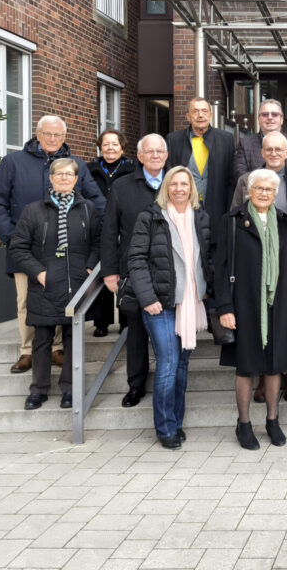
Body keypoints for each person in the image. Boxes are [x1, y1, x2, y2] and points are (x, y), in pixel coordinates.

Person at [0, 114, 105, 374]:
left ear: (64, 137)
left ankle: (56, 348)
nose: (53, 139)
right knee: (26, 300)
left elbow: (97, 202)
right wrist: (13, 238)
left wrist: (96, 238)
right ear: (37, 135)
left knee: (63, 296)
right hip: (26, 250)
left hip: (68, 250)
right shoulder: (13, 162)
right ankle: (28, 351)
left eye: (58, 135)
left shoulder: (76, 166)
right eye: (47, 134)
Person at [216, 169, 287, 450]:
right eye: (259, 189)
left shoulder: (283, 221)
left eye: (269, 189)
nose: (264, 193)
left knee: (274, 363)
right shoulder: (232, 221)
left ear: (275, 193)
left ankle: (272, 420)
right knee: (246, 367)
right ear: (249, 191)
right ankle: (243, 424)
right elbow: (219, 269)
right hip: (244, 303)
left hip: (278, 304)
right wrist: (225, 307)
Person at [126, 166, 211, 449]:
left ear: (191, 188)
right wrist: (147, 297)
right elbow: (136, 259)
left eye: (184, 184)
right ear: (166, 188)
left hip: (190, 302)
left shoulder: (200, 217)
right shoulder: (150, 218)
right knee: (168, 364)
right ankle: (165, 428)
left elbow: (205, 258)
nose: (178, 189)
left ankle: (176, 421)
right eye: (173, 184)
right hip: (160, 303)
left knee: (182, 365)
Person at [8, 158, 101, 411]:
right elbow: (18, 247)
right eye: (58, 174)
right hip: (45, 284)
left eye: (69, 175)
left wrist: (90, 268)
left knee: (73, 338)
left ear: (76, 179)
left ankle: (70, 389)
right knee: (42, 339)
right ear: (50, 179)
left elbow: (97, 242)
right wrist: (39, 273)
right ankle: (38, 390)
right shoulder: (33, 210)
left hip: (76, 283)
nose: (63, 178)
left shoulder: (88, 209)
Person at [234, 131, 287, 402]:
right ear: (261, 152)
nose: (273, 153)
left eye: (278, 149)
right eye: (268, 149)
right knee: (262, 317)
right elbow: (236, 217)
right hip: (257, 259)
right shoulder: (247, 180)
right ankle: (263, 375)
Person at [101, 134, 168, 409]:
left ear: (166, 154)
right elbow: (109, 230)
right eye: (148, 151)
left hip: (169, 269)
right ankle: (136, 384)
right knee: (136, 330)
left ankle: (171, 380)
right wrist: (110, 271)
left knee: (171, 329)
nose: (155, 155)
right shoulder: (122, 186)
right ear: (139, 157)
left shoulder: (177, 182)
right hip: (135, 269)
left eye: (159, 151)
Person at [165, 97, 236, 242]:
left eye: (204, 111)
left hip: (217, 205)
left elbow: (231, 177)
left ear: (210, 115)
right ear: (188, 116)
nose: (200, 115)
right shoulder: (173, 140)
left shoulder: (226, 139)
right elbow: (169, 174)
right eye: (195, 111)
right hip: (185, 206)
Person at [87, 129, 134, 337]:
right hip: (98, 227)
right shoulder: (90, 170)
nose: (110, 148)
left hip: (124, 226)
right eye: (106, 144)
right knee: (102, 272)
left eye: (115, 144)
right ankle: (101, 321)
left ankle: (125, 320)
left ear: (122, 147)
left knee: (124, 273)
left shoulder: (132, 169)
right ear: (100, 147)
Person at [234, 98, 287, 179]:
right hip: (255, 190)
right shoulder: (245, 144)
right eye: (265, 114)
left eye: (275, 114)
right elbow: (241, 177)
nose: (270, 117)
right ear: (259, 119)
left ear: (282, 119)